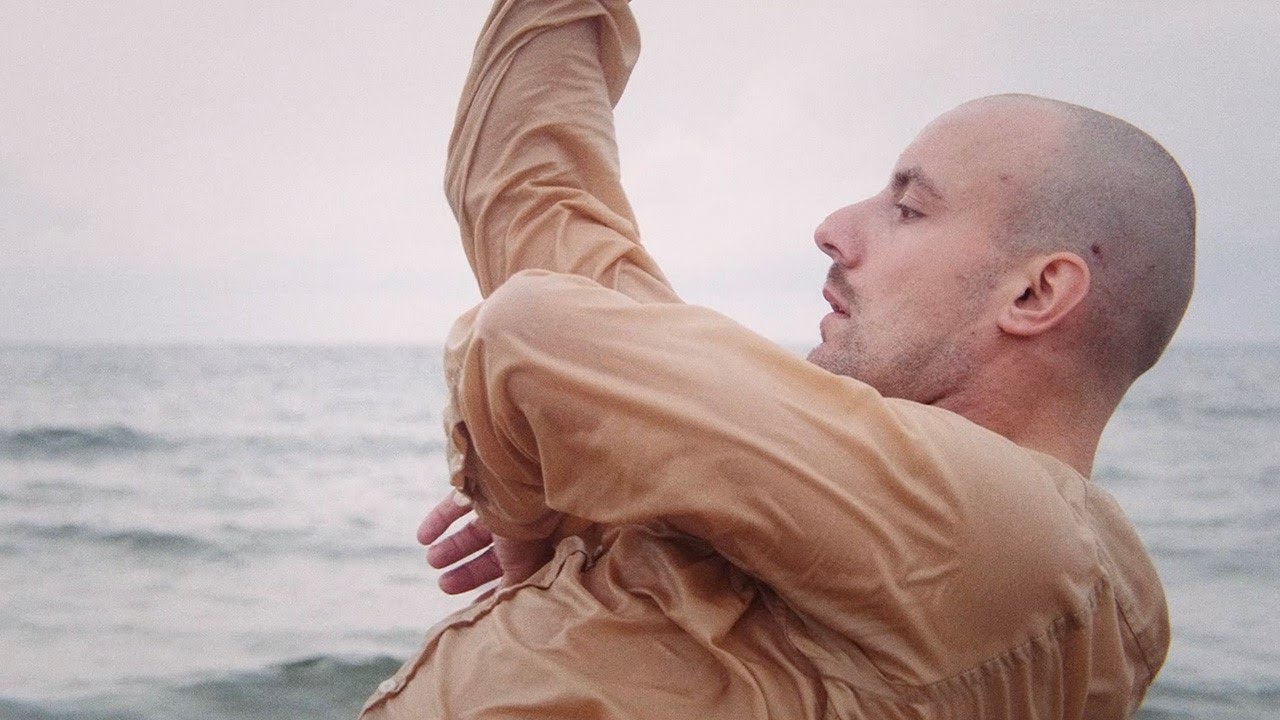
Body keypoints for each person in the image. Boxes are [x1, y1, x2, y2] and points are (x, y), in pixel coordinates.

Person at [360, 0, 1192, 717]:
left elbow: (535, 333)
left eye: (908, 208)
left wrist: (526, 519)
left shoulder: (1032, 557)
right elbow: (529, 192)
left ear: (1036, 293)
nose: (832, 227)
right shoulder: (780, 474)